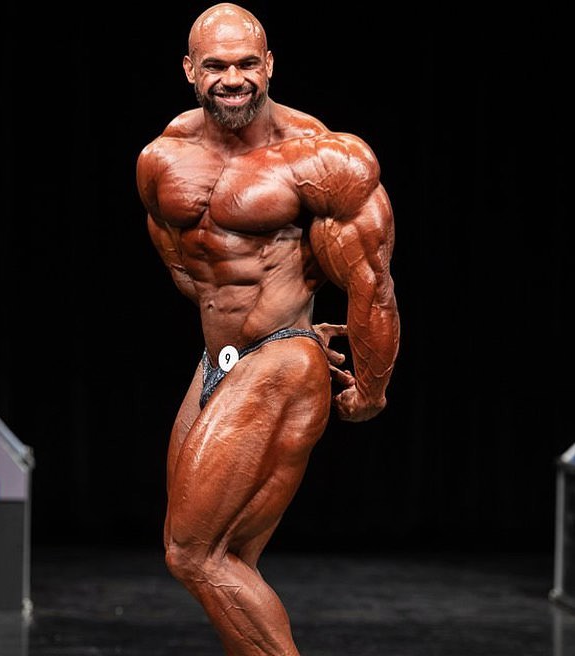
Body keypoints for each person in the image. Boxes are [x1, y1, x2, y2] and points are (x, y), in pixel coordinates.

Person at [135, 3, 400, 654]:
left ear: (269, 64)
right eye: (218, 66)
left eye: (247, 63)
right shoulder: (161, 158)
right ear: (190, 70)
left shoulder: (322, 156)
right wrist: (228, 326)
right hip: (218, 362)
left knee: (194, 553)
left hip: (280, 359)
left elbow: (370, 280)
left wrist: (369, 385)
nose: (234, 78)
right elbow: (185, 264)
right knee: (223, 559)